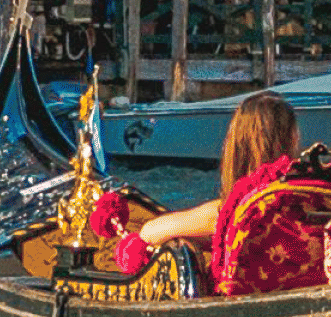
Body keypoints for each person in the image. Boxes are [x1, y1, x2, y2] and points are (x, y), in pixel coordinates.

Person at [125, 90, 300, 259]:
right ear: (292, 138)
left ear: (237, 146)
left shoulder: (233, 210)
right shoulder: (304, 196)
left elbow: (149, 232)